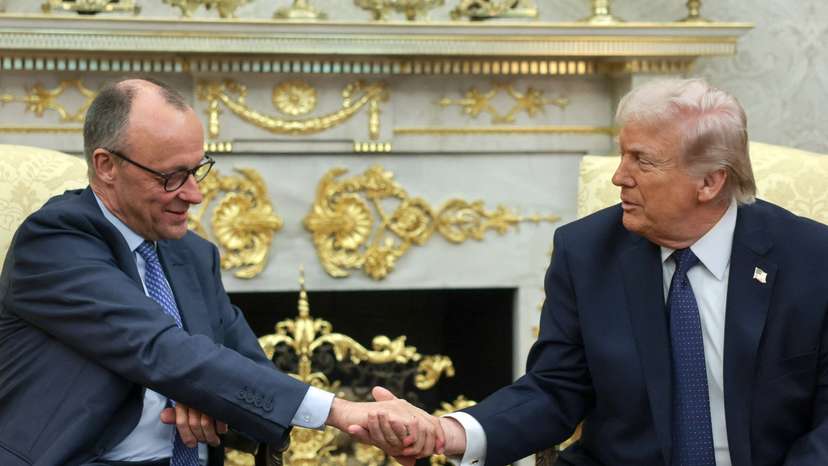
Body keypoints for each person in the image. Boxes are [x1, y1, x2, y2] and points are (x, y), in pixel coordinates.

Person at [364, 78, 828, 466]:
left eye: (642, 161)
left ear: (710, 181)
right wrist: (449, 431)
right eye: (622, 155)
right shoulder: (586, 251)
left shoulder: (811, 258)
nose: (619, 177)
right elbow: (555, 389)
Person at [0, 78, 442, 466]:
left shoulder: (192, 254)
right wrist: (341, 411)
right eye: (172, 176)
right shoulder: (55, 243)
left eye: (197, 170)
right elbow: (158, 349)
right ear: (106, 166)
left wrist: (207, 395)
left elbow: (247, 370)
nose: (193, 194)